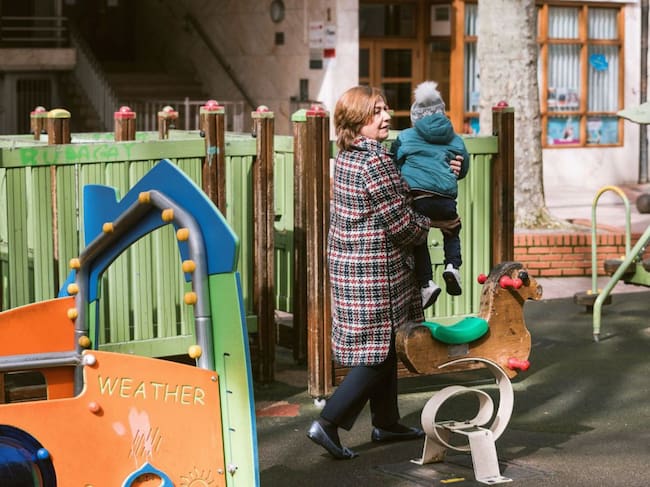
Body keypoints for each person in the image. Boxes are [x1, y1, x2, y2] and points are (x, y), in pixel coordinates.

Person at [306, 86, 431, 460]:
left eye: (386, 108)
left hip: (354, 266)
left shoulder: (349, 156)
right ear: (356, 120)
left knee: (383, 345)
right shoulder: (375, 162)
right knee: (376, 353)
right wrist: (432, 224)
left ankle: (387, 422)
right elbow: (402, 226)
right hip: (376, 273)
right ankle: (327, 422)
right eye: (376, 111)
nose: (387, 116)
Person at [392, 81, 470, 309]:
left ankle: (426, 283)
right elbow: (463, 169)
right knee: (452, 230)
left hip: (418, 198)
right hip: (445, 199)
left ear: (415, 118)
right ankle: (452, 267)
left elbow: (394, 163)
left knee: (419, 238)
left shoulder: (406, 137)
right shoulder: (455, 138)